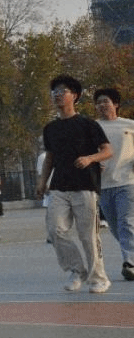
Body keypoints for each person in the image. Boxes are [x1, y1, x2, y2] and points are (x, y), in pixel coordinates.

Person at [36, 74, 112, 294]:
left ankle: (99, 278)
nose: (58, 95)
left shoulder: (88, 125)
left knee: (88, 236)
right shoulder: (50, 128)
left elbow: (107, 150)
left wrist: (90, 158)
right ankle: (77, 270)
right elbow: (49, 158)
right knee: (55, 230)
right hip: (59, 187)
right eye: (55, 92)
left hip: (86, 186)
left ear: (75, 96)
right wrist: (42, 181)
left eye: (63, 91)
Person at [93, 87, 134, 281]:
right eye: (99, 102)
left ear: (116, 104)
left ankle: (129, 262)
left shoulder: (129, 125)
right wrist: (93, 163)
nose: (102, 105)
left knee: (126, 222)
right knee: (116, 227)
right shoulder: (92, 127)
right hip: (103, 184)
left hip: (127, 181)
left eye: (106, 101)